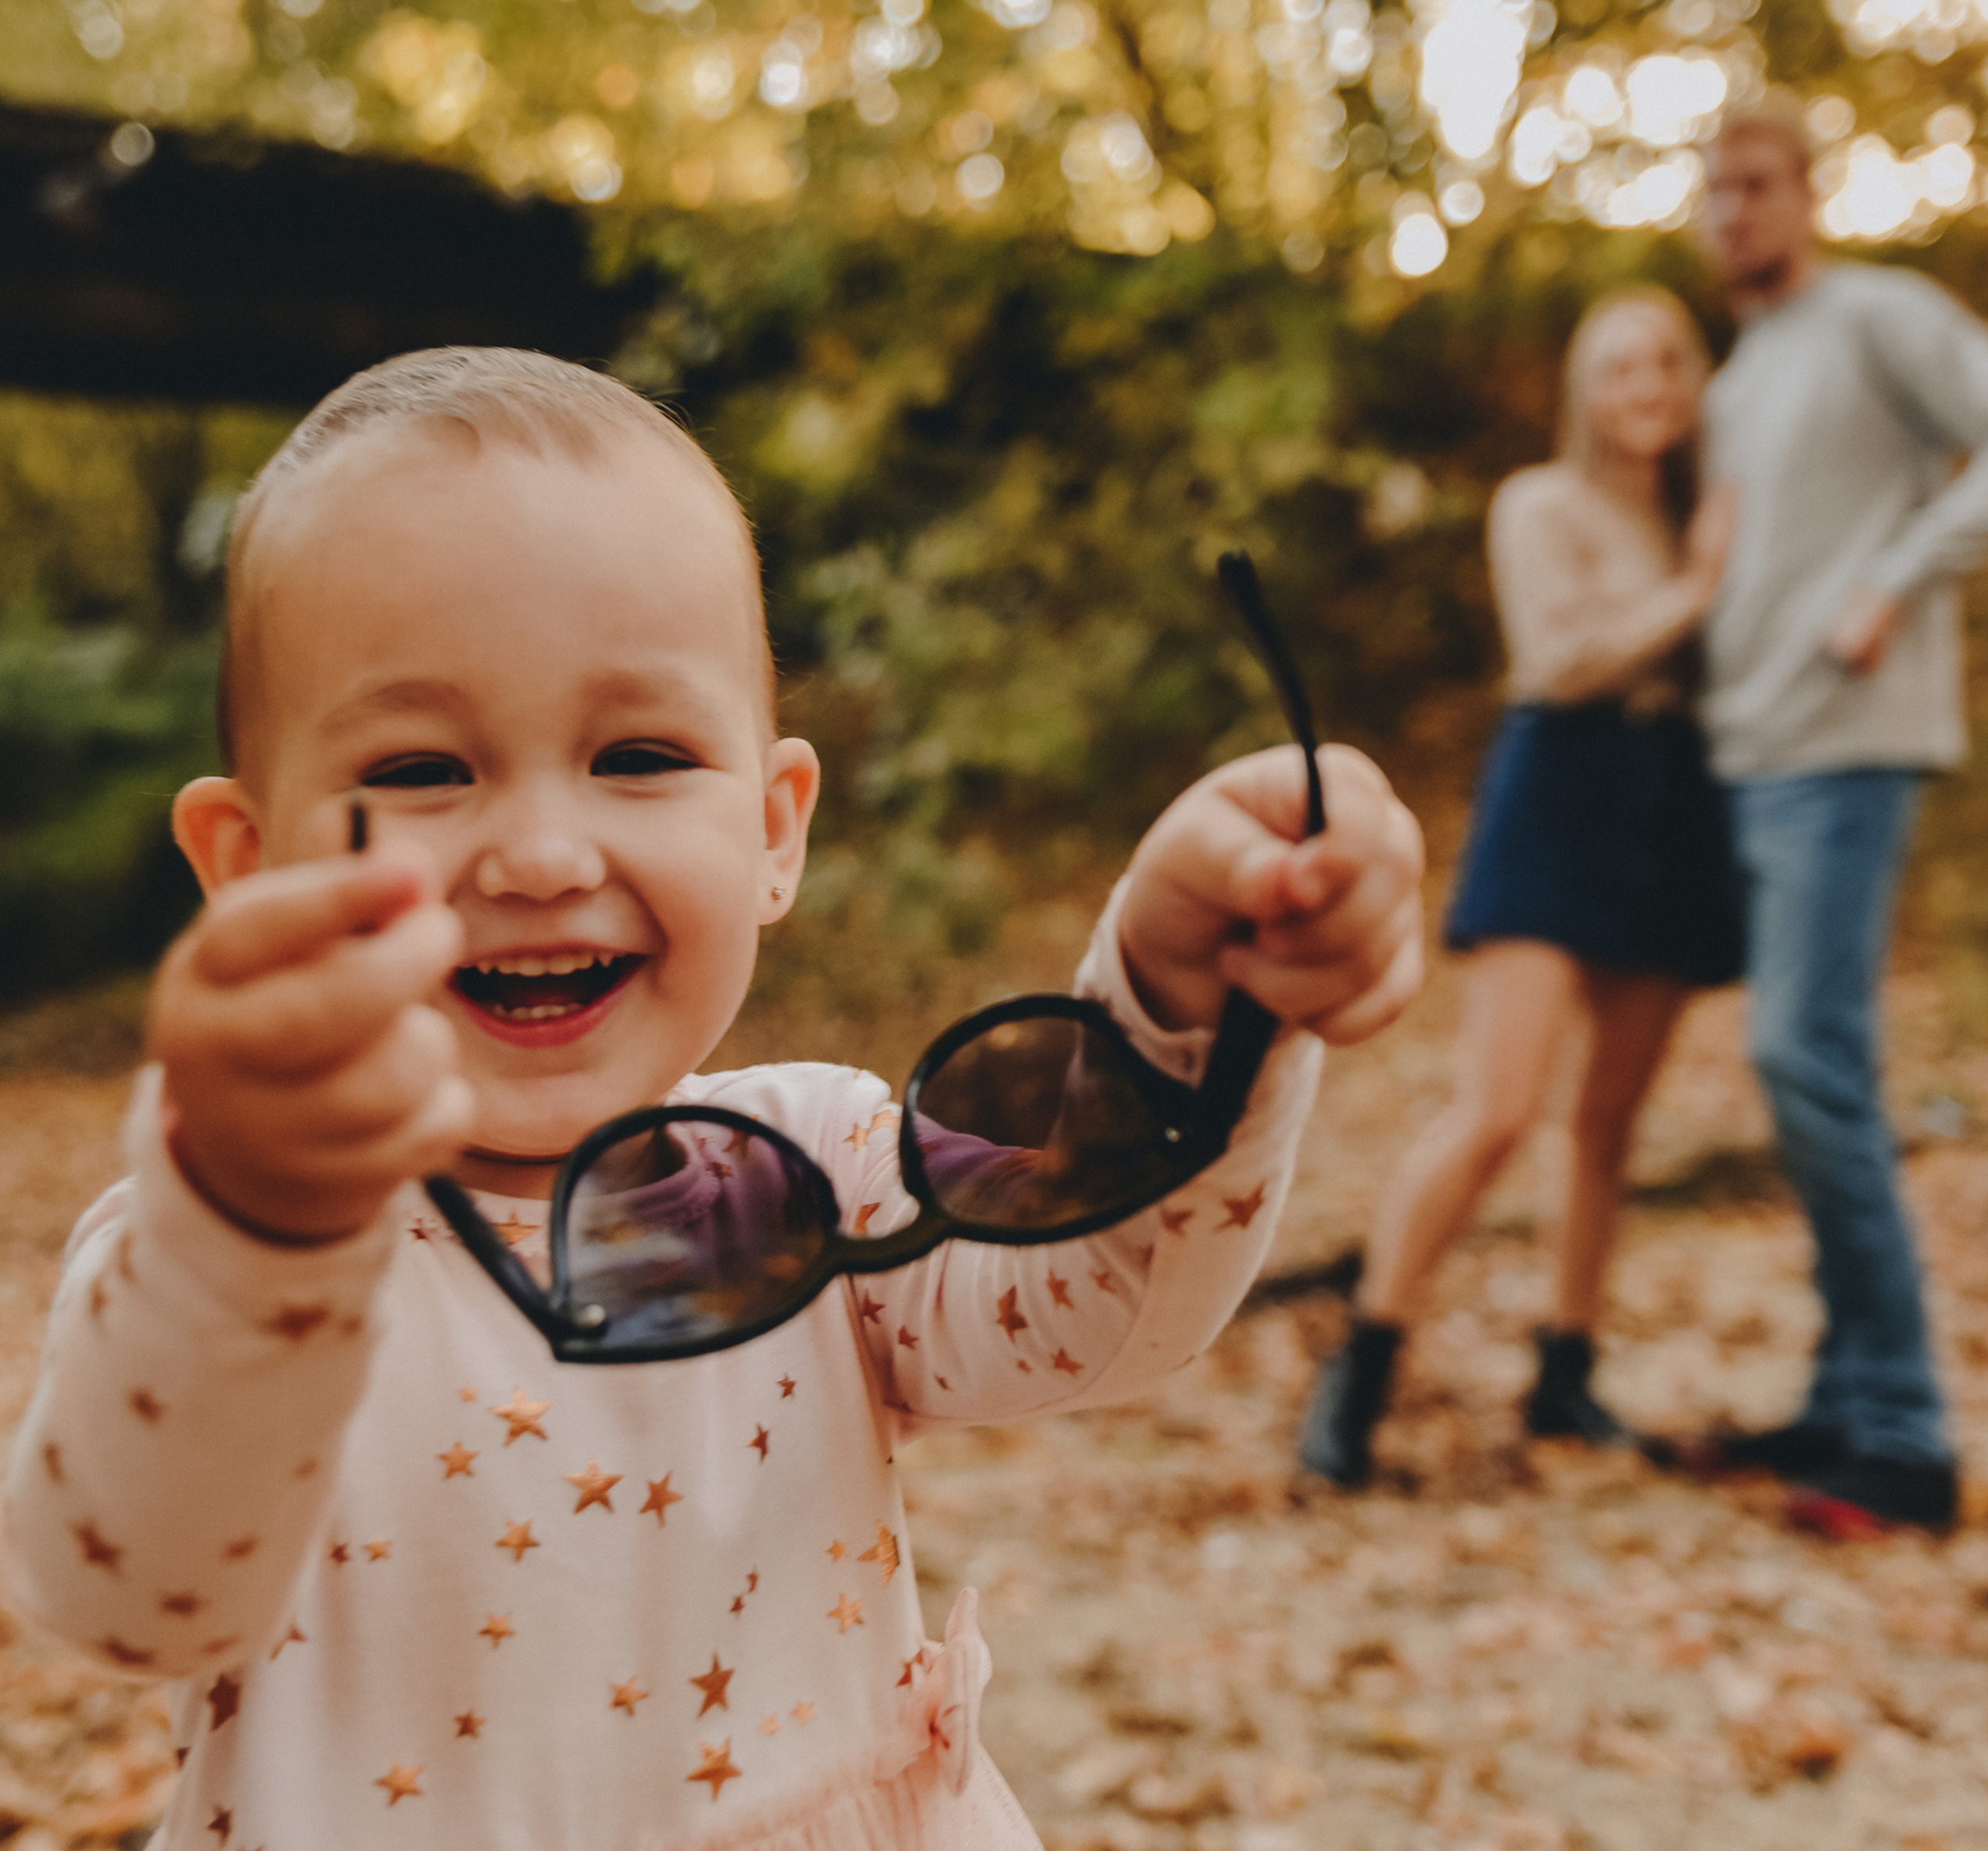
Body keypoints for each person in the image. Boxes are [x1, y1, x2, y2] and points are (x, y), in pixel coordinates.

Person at [0, 347, 1424, 1849]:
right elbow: (129, 1597)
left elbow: (1101, 1302)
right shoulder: (204, 1253)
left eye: (638, 755)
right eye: (421, 769)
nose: (542, 855)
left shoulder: (814, 1169)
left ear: (772, 829)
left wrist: (1185, 996)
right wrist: (253, 1226)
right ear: (248, 865)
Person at [1298, 288, 1741, 1489]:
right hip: (1561, 798)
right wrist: (1697, 592)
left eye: (1666, 364)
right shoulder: (1539, 503)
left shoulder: (1706, 512)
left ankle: (1566, 1373)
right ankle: (1362, 1367)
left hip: (1675, 806)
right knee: (1498, 1108)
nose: (1647, 388)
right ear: (1587, 389)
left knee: (1610, 1123)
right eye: (1621, 367)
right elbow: (1559, 658)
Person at [1682, 105, 1988, 1534]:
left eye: (1757, 185)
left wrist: (1894, 580)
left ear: (1809, 193)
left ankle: (1906, 1434)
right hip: (1752, 756)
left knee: (1802, 1056)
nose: (1734, 211)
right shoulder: (1741, 372)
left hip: (1849, 750)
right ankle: (1842, 1396)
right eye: (1715, 190)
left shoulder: (1880, 315)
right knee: (1813, 1073)